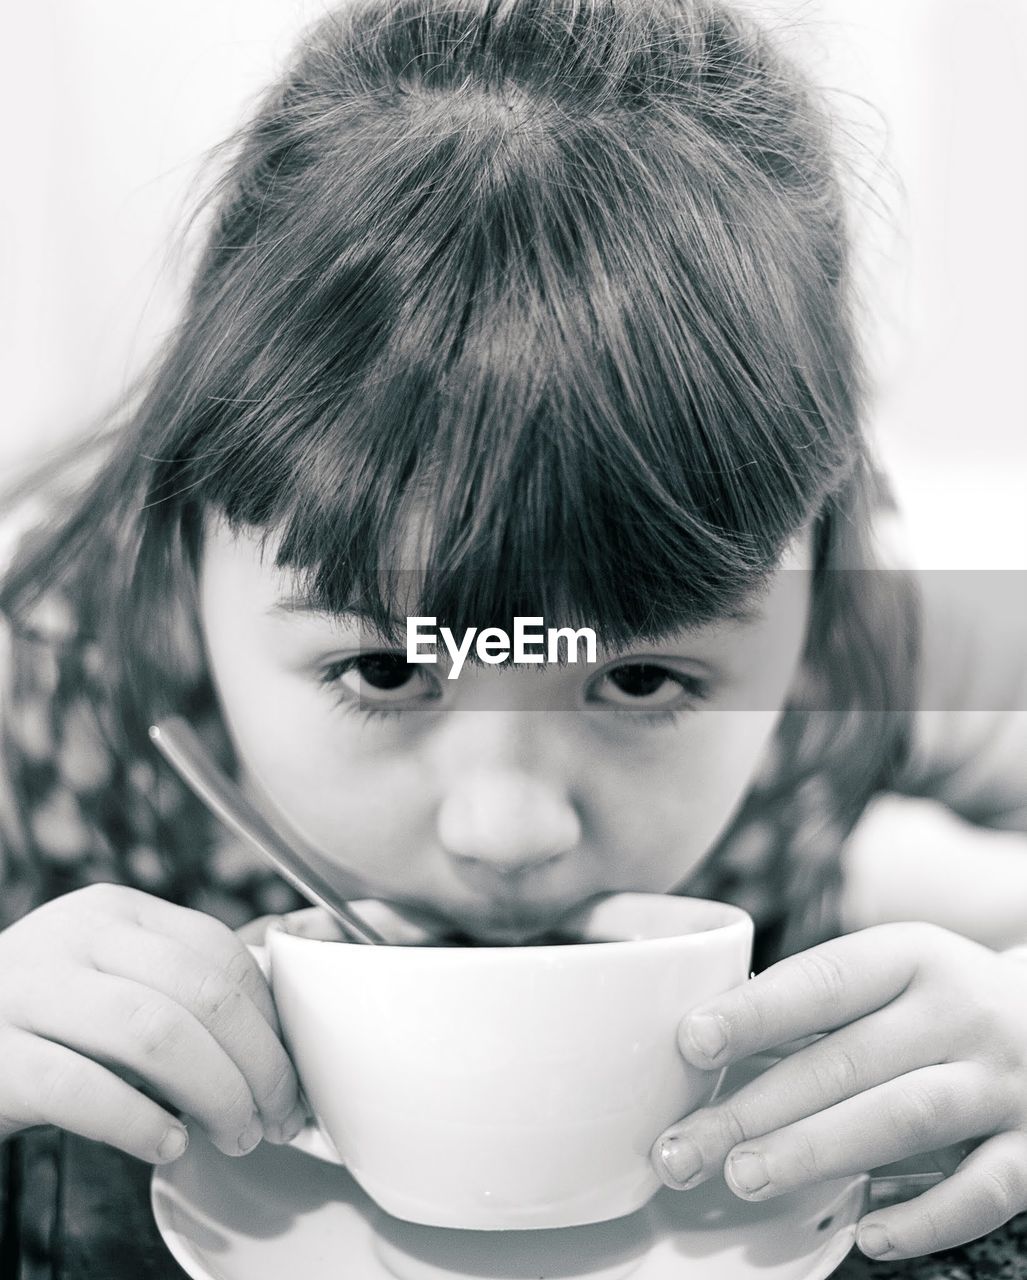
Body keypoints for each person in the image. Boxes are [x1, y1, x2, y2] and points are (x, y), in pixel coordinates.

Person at [0, 0, 1024, 1264]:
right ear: (183, 545)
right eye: (385, 666)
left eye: (644, 675)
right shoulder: (51, 676)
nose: (507, 828)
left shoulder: (862, 657)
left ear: (820, 569)